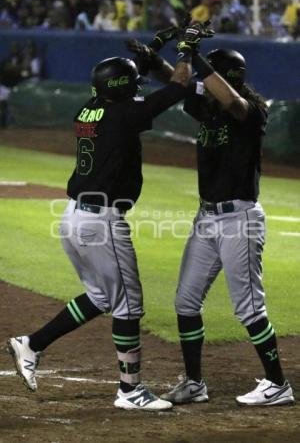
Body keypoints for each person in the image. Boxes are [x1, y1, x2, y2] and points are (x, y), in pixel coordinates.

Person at [6, 24, 208, 411]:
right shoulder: (123, 116)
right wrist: (186, 49)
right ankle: (130, 390)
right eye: (131, 83)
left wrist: (155, 47)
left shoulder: (92, 108)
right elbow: (179, 86)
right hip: (102, 222)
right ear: (120, 88)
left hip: (74, 217)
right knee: (128, 306)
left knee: (101, 297)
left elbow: (124, 83)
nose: (137, 87)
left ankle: (31, 344)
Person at [127, 21, 295, 407]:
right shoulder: (208, 111)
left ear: (227, 78)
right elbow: (183, 83)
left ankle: (277, 384)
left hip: (240, 219)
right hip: (206, 219)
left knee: (249, 306)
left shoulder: (250, 111)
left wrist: (194, 55)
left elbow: (228, 98)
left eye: (213, 76)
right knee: (186, 301)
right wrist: (155, 61)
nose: (205, 83)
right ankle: (193, 382)